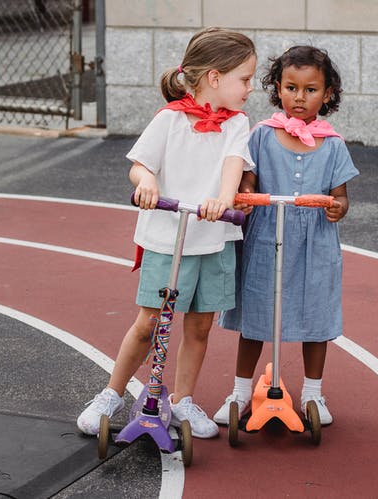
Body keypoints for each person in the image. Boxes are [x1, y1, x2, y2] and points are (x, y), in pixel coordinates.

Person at [76, 27, 257, 439]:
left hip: (212, 238)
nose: (250, 87)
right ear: (215, 77)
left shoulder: (237, 123)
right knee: (150, 321)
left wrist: (224, 202)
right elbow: (140, 164)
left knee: (199, 325)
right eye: (244, 79)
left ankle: (182, 399)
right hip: (168, 237)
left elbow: (233, 165)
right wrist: (147, 183)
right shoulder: (170, 119)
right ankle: (111, 393)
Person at [216, 45, 358, 427]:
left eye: (310, 90)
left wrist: (336, 207)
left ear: (327, 94)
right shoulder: (261, 136)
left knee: (316, 313)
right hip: (265, 238)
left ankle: (314, 392)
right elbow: (247, 183)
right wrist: (243, 200)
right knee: (256, 313)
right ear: (278, 88)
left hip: (315, 242)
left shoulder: (334, 144)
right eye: (291, 87)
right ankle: (240, 390)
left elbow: (342, 197)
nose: (300, 97)